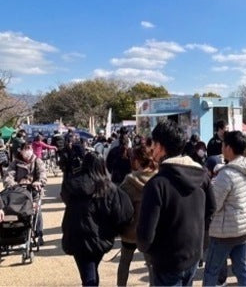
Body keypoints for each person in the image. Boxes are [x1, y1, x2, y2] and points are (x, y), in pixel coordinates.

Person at [137, 120, 216, 286]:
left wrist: (152, 252)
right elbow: (211, 209)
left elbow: (145, 236)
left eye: (153, 144)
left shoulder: (157, 185)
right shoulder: (202, 175)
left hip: (167, 263)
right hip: (193, 255)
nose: (151, 149)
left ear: (160, 146)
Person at [61, 152, 134, 286]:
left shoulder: (71, 184)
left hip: (76, 234)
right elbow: (122, 213)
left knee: (89, 274)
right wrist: (116, 229)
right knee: (91, 272)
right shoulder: (108, 187)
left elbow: (64, 198)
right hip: (100, 236)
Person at [203, 131, 246, 287]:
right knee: (241, 269)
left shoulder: (226, 175)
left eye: (223, 144)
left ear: (228, 148)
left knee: (211, 271)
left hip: (225, 232)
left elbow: (214, 204)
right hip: (244, 229)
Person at [117, 145, 158, 286]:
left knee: (125, 262)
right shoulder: (158, 179)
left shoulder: (128, 183)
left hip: (130, 230)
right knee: (151, 265)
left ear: (137, 161)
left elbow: (119, 205)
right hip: (151, 230)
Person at [4, 141, 47, 245]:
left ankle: (38, 233)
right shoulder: (15, 163)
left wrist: (39, 182)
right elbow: (8, 176)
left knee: (36, 210)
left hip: (33, 192)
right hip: (18, 192)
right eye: (26, 149)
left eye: (30, 149)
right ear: (21, 151)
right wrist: (12, 184)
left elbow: (42, 174)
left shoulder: (37, 161)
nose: (28, 151)